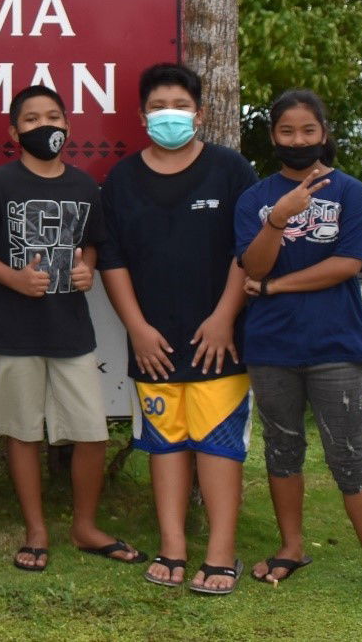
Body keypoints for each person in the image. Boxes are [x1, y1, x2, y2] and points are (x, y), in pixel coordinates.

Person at [235, 89, 362, 610]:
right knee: (282, 448)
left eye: (308, 131)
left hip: (336, 345)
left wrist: (274, 289)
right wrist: (279, 218)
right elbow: (253, 267)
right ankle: (292, 548)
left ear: (324, 133)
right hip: (271, 347)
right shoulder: (255, 199)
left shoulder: (350, 194)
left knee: (350, 456)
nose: (297, 141)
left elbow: (350, 263)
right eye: (287, 132)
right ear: (273, 137)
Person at [0, 84, 144, 573]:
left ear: (69, 125)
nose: (45, 126)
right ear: (14, 131)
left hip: (70, 331)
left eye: (54, 117)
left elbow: (94, 245)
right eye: (33, 119)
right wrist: (12, 278)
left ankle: (85, 526)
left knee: (92, 432)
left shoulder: (84, 186)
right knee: (21, 433)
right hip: (11, 331)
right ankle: (36, 530)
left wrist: (88, 269)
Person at [99, 64, 256, 594]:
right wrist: (137, 328)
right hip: (153, 345)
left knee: (218, 445)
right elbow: (112, 261)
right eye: (159, 106)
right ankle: (172, 548)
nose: (170, 115)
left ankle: (220, 555)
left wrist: (223, 318)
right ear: (143, 117)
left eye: (180, 106)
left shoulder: (231, 170)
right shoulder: (122, 179)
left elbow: (248, 252)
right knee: (165, 444)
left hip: (219, 341)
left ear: (200, 113)